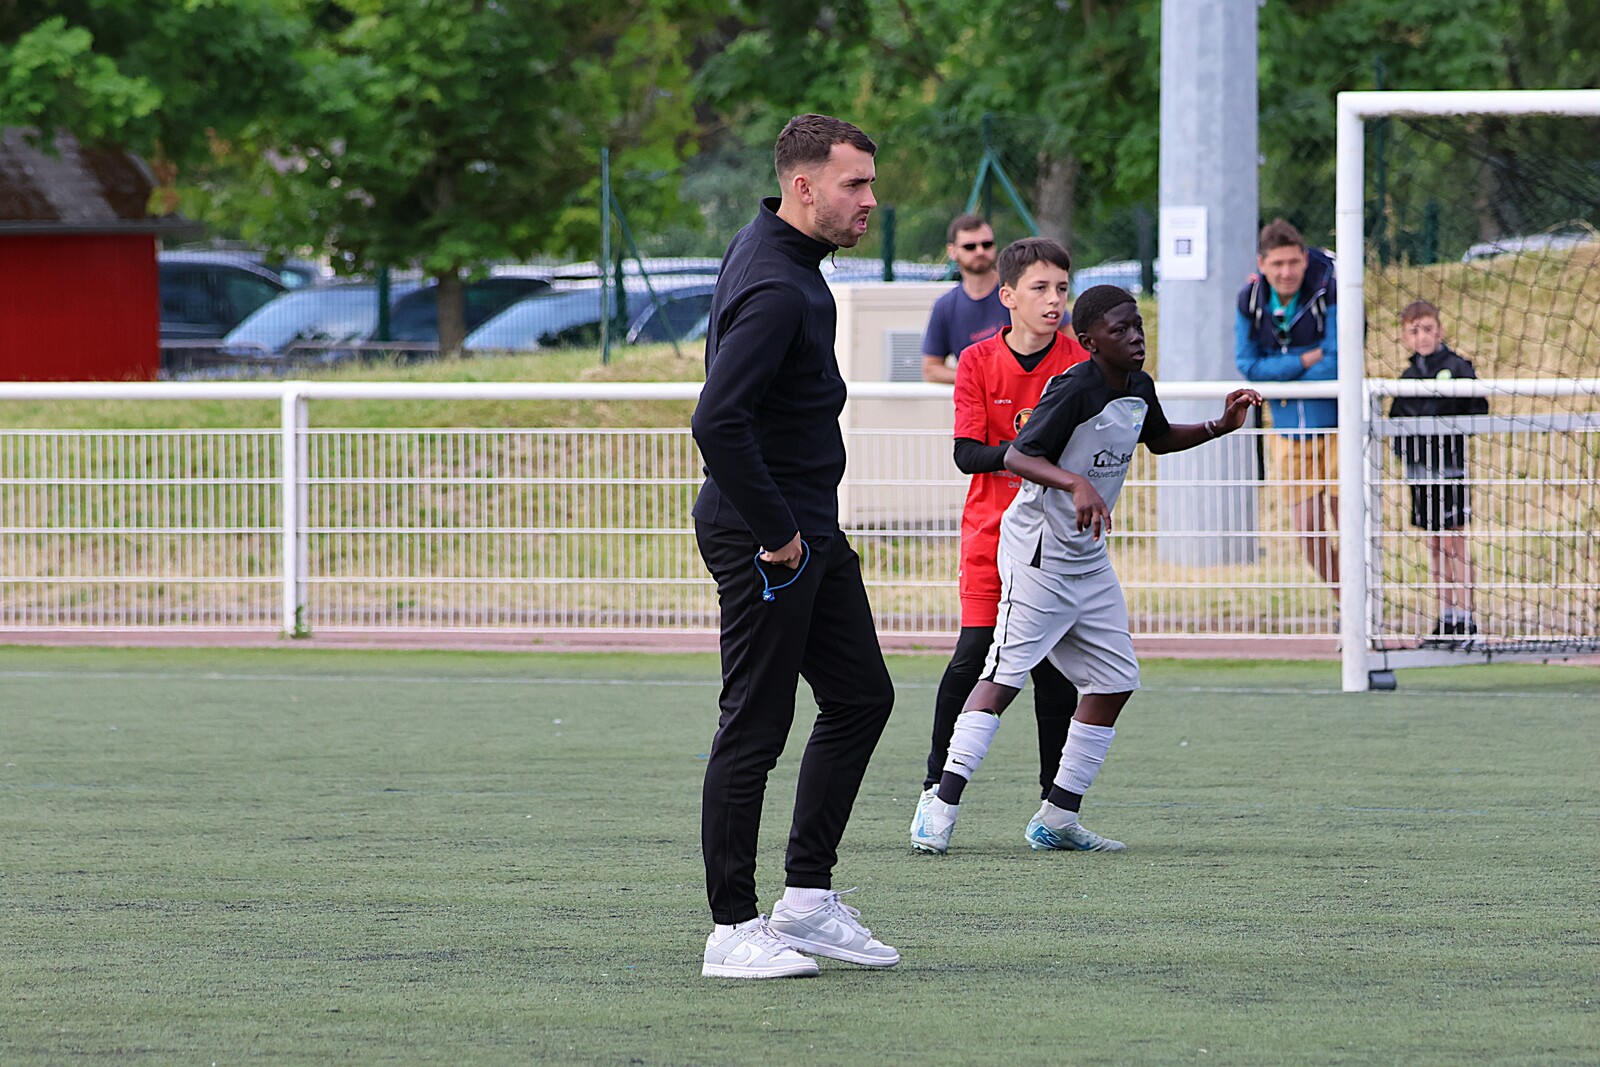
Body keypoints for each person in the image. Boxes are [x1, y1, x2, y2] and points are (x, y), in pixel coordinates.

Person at [912, 285, 1262, 855]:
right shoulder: (1074, 388)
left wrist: (1218, 425)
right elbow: (1019, 454)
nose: (1135, 338)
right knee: (1003, 676)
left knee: (1116, 680)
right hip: (1038, 553)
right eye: (1120, 329)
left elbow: (1158, 440)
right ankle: (939, 804)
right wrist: (1076, 483)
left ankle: (1057, 817)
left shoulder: (1139, 387)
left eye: (1138, 326)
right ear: (1090, 341)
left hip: (1088, 557)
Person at [690, 114, 899, 980]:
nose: (871, 200)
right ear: (803, 186)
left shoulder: (781, 253)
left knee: (861, 696)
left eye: (871, 182)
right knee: (755, 722)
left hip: (809, 526)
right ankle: (731, 928)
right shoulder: (779, 286)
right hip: (768, 533)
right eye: (855, 184)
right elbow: (716, 420)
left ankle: (806, 900)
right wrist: (779, 537)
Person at [909, 237, 1088, 854]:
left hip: (1058, 540)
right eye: (1040, 288)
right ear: (1007, 296)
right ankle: (933, 792)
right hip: (992, 533)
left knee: (1055, 673)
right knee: (972, 658)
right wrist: (1028, 456)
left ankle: (1055, 812)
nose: (1054, 300)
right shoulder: (978, 360)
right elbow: (967, 454)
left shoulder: (1081, 362)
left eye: (1062, 288)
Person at [1234, 218, 1339, 590]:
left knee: (1350, 523)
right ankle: (1344, 600)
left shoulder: (1329, 289)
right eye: (1277, 264)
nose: (1286, 272)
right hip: (1288, 432)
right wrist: (1303, 359)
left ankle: (1363, 607)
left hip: (1339, 428)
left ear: (1305, 259)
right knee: (1308, 529)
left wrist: (1280, 375)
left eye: (1294, 262)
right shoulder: (1249, 301)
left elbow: (1338, 360)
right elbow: (1249, 366)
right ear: (1261, 264)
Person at [1389, 300, 1488, 641]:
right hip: (1420, 474)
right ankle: (1445, 616)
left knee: (1454, 540)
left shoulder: (1458, 367)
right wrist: (1407, 453)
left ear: (1440, 331)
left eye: (1428, 329)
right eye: (1414, 331)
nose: (1422, 337)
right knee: (1434, 543)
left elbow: (1478, 408)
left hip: (1451, 470)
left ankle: (1467, 617)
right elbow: (1396, 420)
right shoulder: (1407, 377)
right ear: (1405, 337)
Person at [921, 214, 1011, 384]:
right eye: (970, 246)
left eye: (987, 244)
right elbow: (931, 369)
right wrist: (978, 377)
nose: (980, 251)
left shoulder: (1017, 293)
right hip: (975, 398)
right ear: (952, 251)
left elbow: (1063, 339)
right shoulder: (945, 306)